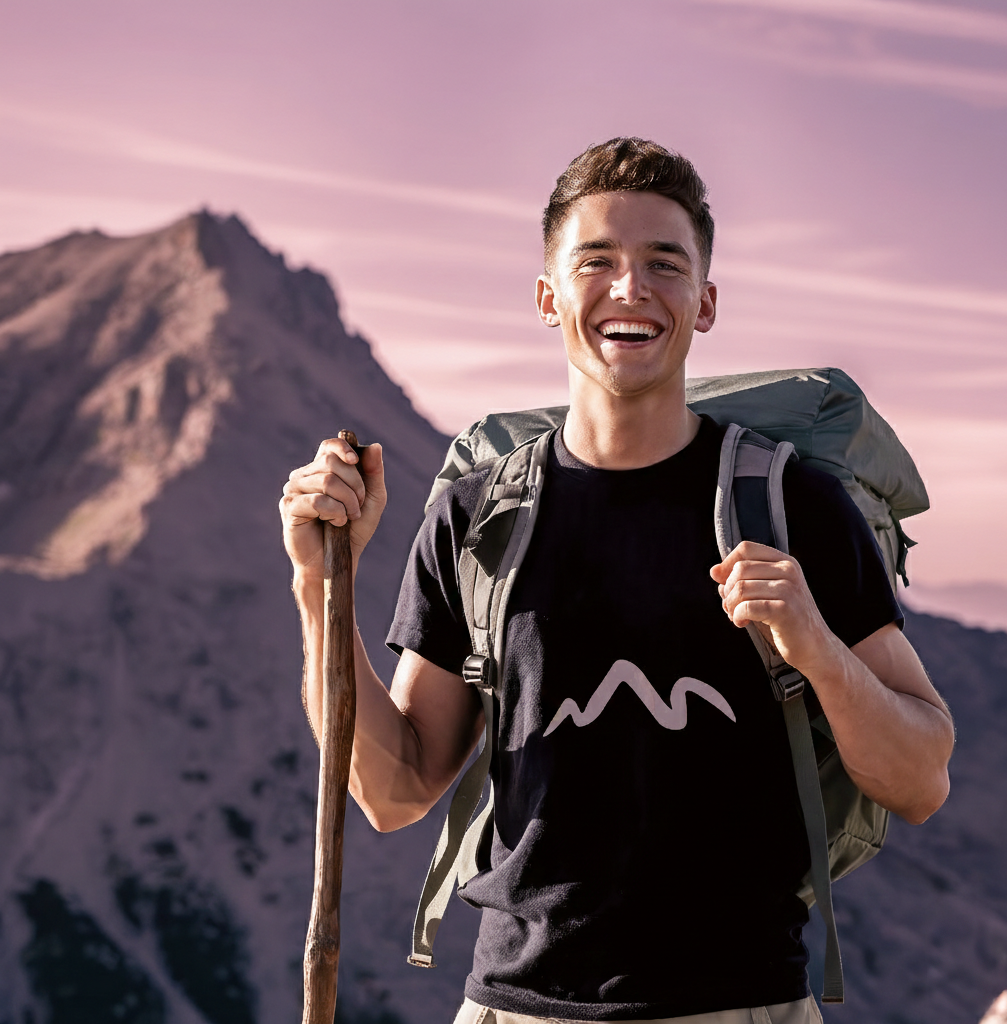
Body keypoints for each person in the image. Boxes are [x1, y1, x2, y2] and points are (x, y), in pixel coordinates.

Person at [280, 138, 954, 1024]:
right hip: (515, 1009)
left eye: (664, 263)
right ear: (548, 298)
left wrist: (818, 650)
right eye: (595, 261)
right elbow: (393, 789)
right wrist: (317, 587)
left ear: (704, 303)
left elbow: (921, 780)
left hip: (744, 1005)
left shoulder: (795, 507)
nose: (630, 288)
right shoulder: (478, 520)